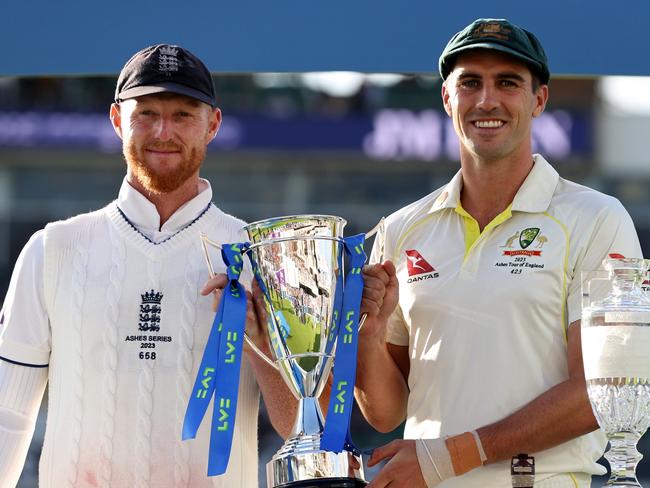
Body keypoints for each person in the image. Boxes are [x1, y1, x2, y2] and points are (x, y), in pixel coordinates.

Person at [356, 18, 643, 488]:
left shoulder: (597, 219)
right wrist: (367, 335)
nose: (487, 100)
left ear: (539, 100)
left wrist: (449, 457)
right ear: (448, 98)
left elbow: (599, 392)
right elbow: (386, 414)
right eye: (470, 83)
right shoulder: (401, 228)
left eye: (508, 83)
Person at [0, 44, 293, 487]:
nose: (163, 131)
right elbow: (8, 415)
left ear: (212, 124)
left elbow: (303, 429)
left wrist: (265, 343)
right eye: (147, 113)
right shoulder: (52, 249)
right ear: (117, 119)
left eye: (182, 115)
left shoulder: (262, 258)